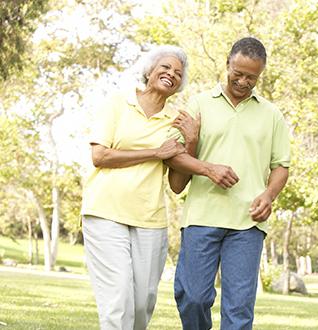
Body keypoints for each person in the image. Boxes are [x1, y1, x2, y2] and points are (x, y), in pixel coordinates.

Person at [167, 37, 291, 330]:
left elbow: (281, 167)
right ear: (227, 64)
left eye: (252, 77)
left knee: (239, 309)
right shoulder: (198, 104)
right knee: (192, 297)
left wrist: (269, 195)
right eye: (239, 73)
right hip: (201, 216)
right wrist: (209, 169)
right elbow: (173, 156)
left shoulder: (272, 115)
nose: (244, 81)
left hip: (247, 223)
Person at [80, 45, 197, 330]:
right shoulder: (118, 103)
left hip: (150, 219)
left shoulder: (175, 122)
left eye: (178, 73)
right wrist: (155, 153)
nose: (171, 74)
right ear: (150, 70)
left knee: (143, 302)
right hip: (105, 212)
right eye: (165, 67)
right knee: (117, 299)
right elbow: (100, 156)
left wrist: (191, 142)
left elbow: (177, 184)